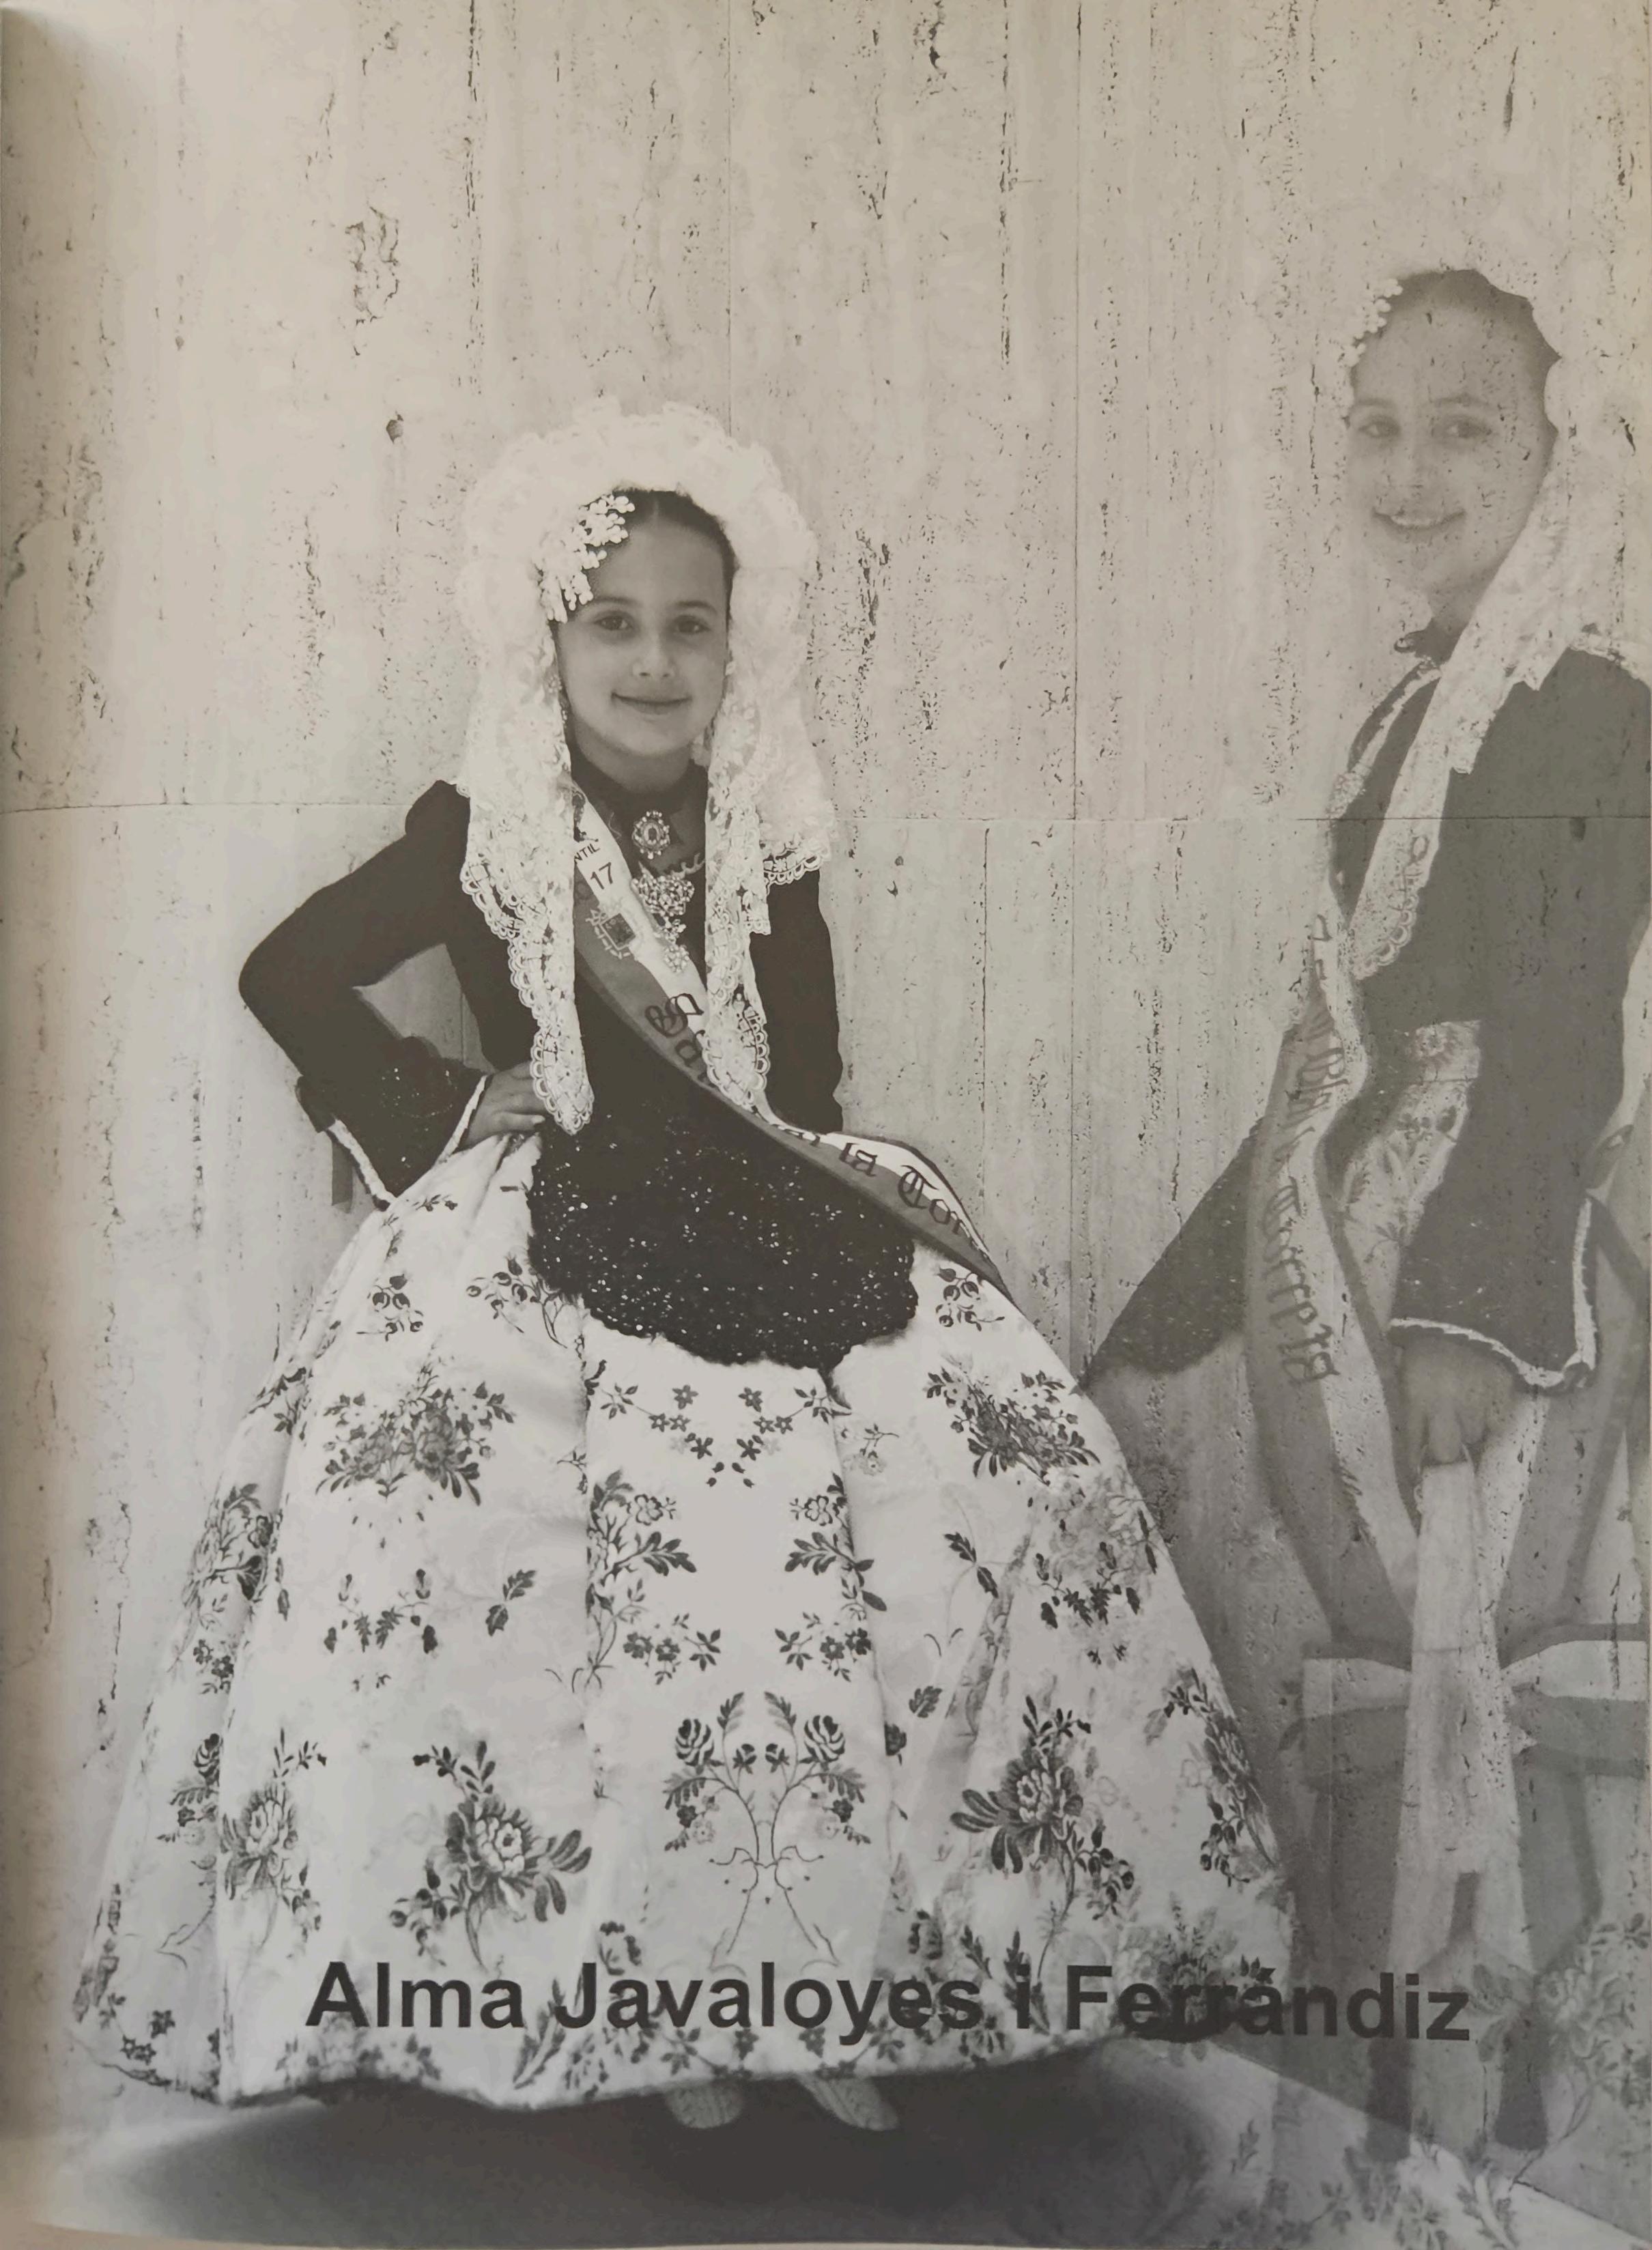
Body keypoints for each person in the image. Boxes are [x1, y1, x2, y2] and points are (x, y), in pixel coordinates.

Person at [74, 403, 1287, 2131]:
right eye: (613, 623)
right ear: (549, 640)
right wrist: (443, 1101)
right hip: (548, 1233)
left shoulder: (763, 828)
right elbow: (287, 972)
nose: (652, 662)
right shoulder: (478, 824)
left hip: (761, 1214)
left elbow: (808, 1078)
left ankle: (848, 1991)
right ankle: (662, 2024)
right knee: (549, 1581)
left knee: (944, 1523)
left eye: (688, 626)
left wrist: (809, 1207)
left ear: (735, 648)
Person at [1090, 269, 1649, 2154]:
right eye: (1381, 428)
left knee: (1464, 1671)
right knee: (1324, 1654)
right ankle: (1363, 2095)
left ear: (1560, 455)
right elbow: (1330, 1057)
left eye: (1465, 429)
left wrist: (1470, 1315)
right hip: (1357, 1215)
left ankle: (1493, 2122)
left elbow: (1560, 1034)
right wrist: (1166, 1322)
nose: (1412, 473)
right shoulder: (1417, 702)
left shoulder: (1582, 706)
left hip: (1475, 1265)